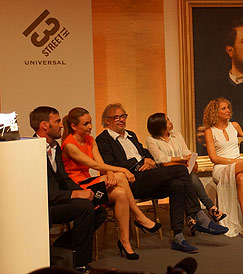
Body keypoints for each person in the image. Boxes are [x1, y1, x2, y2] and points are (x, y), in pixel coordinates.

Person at [95, 103, 227, 254]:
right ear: (107, 121)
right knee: (181, 169)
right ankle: (198, 215)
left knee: (177, 184)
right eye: (116, 117)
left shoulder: (130, 134)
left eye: (123, 116)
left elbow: (145, 152)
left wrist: (148, 161)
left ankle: (178, 237)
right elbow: (110, 164)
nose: (121, 120)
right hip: (130, 182)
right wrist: (139, 162)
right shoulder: (103, 140)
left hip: (147, 175)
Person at [60, 107, 159, 260]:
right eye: (86, 124)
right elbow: (95, 165)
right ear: (74, 126)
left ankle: (125, 242)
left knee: (120, 194)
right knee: (120, 176)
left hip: (90, 182)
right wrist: (120, 170)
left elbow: (102, 163)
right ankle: (138, 215)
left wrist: (111, 173)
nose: (90, 127)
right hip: (77, 187)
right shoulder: (69, 145)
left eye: (91, 123)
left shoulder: (90, 140)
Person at [30, 106, 106, 273]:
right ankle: (80, 263)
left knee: (98, 209)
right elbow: (45, 190)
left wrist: (84, 192)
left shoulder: (55, 147)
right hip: (43, 204)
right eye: (57, 121)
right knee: (85, 208)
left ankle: (61, 246)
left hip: (58, 197)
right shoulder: (30, 150)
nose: (61, 125)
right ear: (44, 125)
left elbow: (64, 178)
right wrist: (75, 194)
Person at [145, 112, 226, 222]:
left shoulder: (176, 135)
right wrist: (183, 158)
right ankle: (209, 208)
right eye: (167, 120)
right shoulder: (151, 140)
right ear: (159, 124)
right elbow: (160, 159)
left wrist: (190, 159)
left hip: (181, 171)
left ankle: (193, 217)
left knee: (187, 178)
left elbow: (186, 151)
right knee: (189, 177)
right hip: (165, 173)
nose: (170, 122)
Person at [203, 97, 243, 238]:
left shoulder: (235, 125)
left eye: (228, 107)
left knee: (242, 178)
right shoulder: (210, 131)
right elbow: (214, 158)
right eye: (223, 108)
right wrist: (234, 162)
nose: (228, 111)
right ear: (215, 112)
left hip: (239, 166)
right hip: (221, 168)